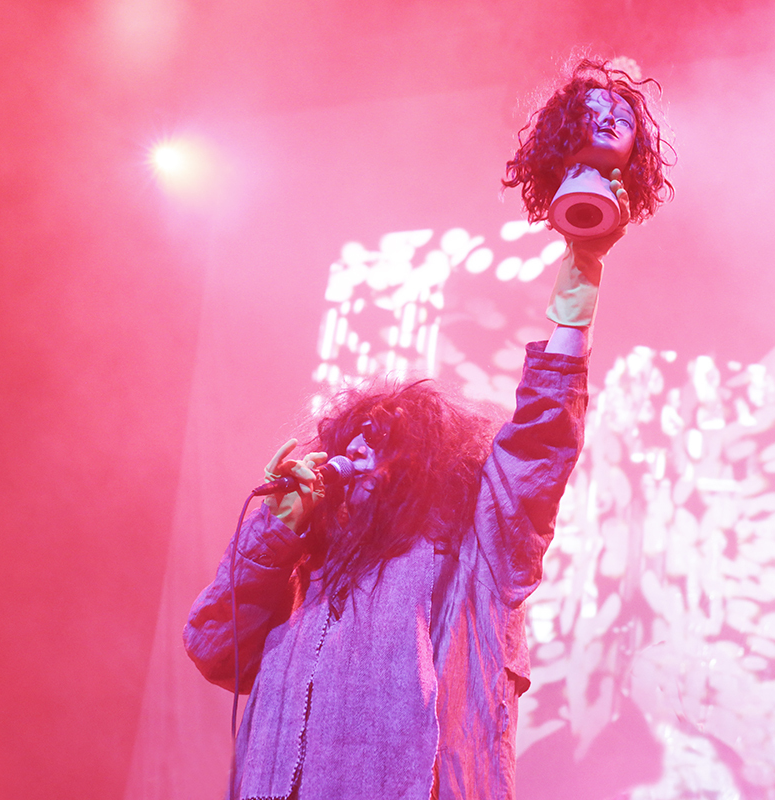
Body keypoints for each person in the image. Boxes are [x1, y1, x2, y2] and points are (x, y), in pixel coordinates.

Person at [183, 58, 672, 800]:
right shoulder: (300, 581)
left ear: (430, 466)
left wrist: (584, 267)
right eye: (349, 438)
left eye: (385, 440)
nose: (355, 455)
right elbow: (216, 645)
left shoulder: (470, 558)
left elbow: (539, 444)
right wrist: (275, 531)